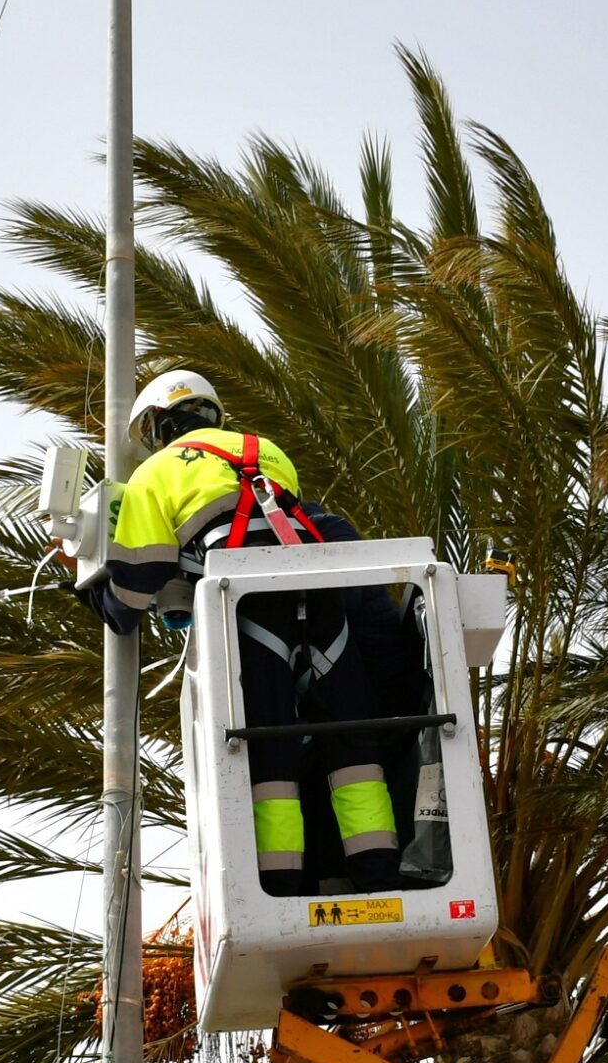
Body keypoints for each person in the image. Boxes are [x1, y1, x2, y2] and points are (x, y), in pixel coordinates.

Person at [80, 369, 400, 895]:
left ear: (159, 425)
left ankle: (283, 884)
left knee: (270, 752)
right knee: (353, 745)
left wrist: (103, 600)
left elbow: (141, 579)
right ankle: (379, 874)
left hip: (254, 611)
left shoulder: (154, 474)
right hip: (321, 603)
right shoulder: (266, 451)